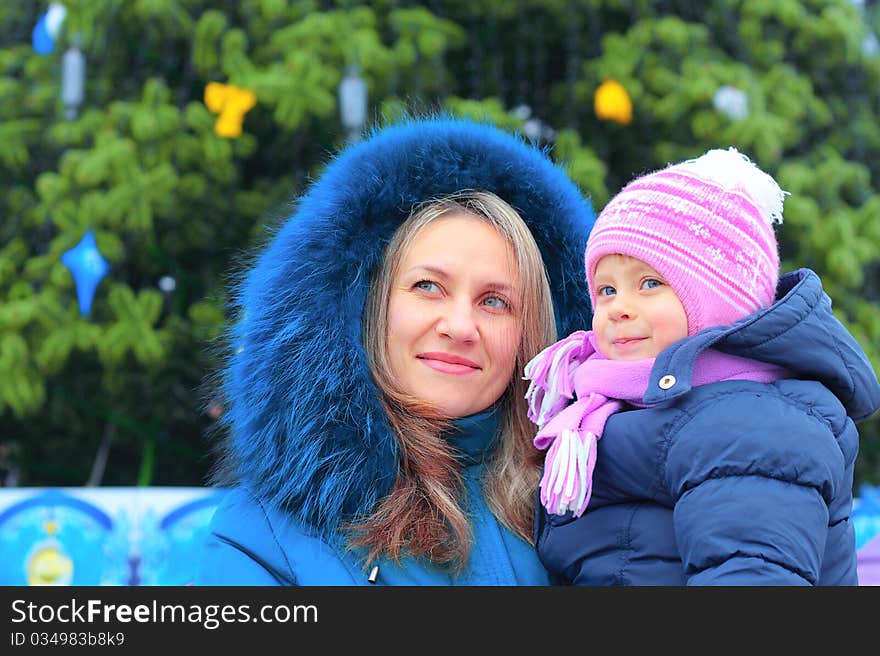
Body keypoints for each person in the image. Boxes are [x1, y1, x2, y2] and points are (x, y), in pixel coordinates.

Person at [195, 117, 596, 585]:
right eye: (428, 286)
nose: (461, 326)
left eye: (494, 301)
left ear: (533, 335)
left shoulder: (596, 512)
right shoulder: (261, 538)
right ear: (367, 307)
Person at [524, 147, 880, 585]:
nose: (618, 308)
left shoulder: (752, 425)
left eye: (649, 283)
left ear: (720, 300)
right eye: (607, 289)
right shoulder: (607, 406)